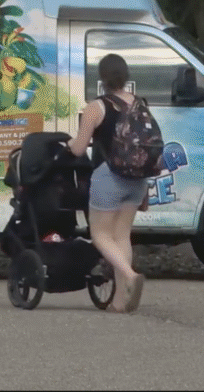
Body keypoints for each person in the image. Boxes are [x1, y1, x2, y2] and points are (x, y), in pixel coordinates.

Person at [67, 54, 148, 313]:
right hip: (137, 179)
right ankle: (120, 301)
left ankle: (130, 275)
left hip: (108, 176)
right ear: (126, 76)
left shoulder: (97, 106)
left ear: (102, 77)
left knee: (100, 235)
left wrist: (68, 144)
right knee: (122, 236)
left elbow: (79, 149)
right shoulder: (140, 104)